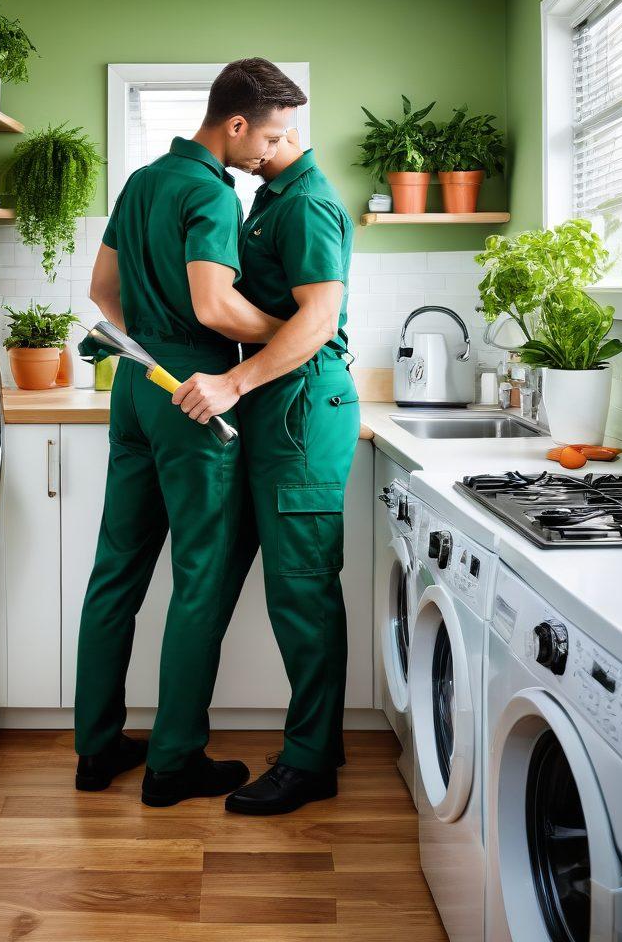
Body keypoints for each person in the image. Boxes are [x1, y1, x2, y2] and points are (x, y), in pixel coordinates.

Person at [73, 58, 306, 807]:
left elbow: (101, 293)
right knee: (200, 577)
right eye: (267, 134)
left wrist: (153, 343)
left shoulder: (142, 181)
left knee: (117, 570)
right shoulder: (208, 190)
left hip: (137, 384)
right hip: (195, 394)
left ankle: (97, 748)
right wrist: (291, 331)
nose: (270, 150)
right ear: (235, 124)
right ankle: (173, 763)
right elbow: (213, 306)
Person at [172, 126, 358, 815]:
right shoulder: (270, 199)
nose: (226, 153)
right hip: (274, 408)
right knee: (262, 581)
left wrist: (234, 384)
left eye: (241, 135)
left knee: (302, 593)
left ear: (278, 129)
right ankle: (320, 742)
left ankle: (309, 764)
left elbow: (318, 321)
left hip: (299, 410)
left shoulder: (305, 203)